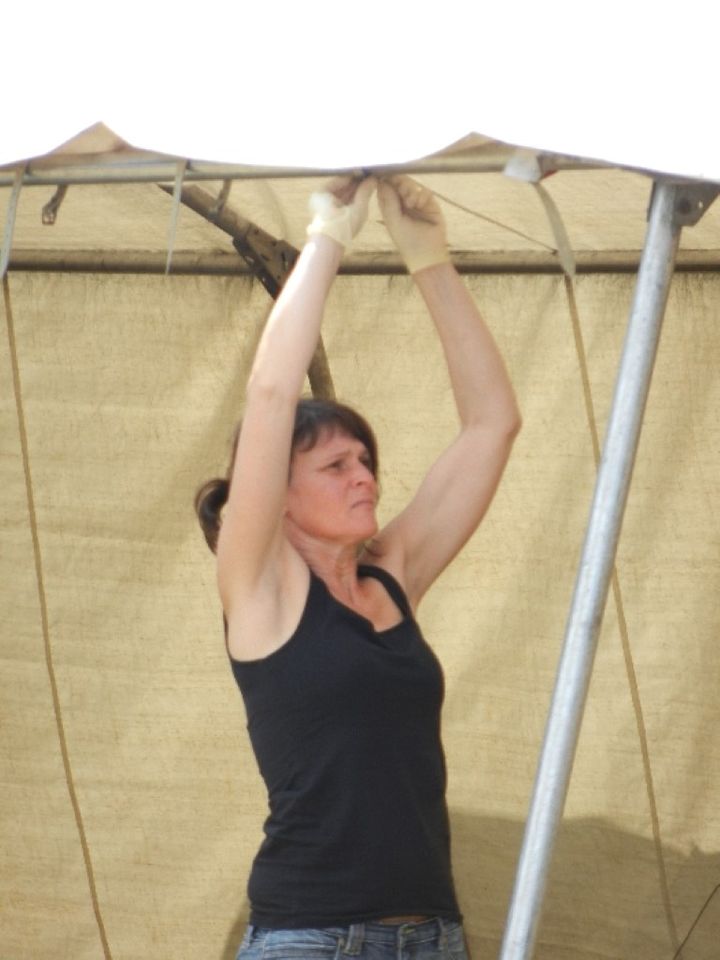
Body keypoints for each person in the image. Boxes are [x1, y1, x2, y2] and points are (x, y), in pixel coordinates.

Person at [195, 175, 521, 960]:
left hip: (433, 934)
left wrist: (429, 258)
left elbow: (493, 423)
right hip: (311, 938)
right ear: (277, 494)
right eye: (337, 466)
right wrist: (328, 235)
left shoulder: (391, 575)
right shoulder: (262, 588)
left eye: (367, 461)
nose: (365, 478)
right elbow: (272, 392)